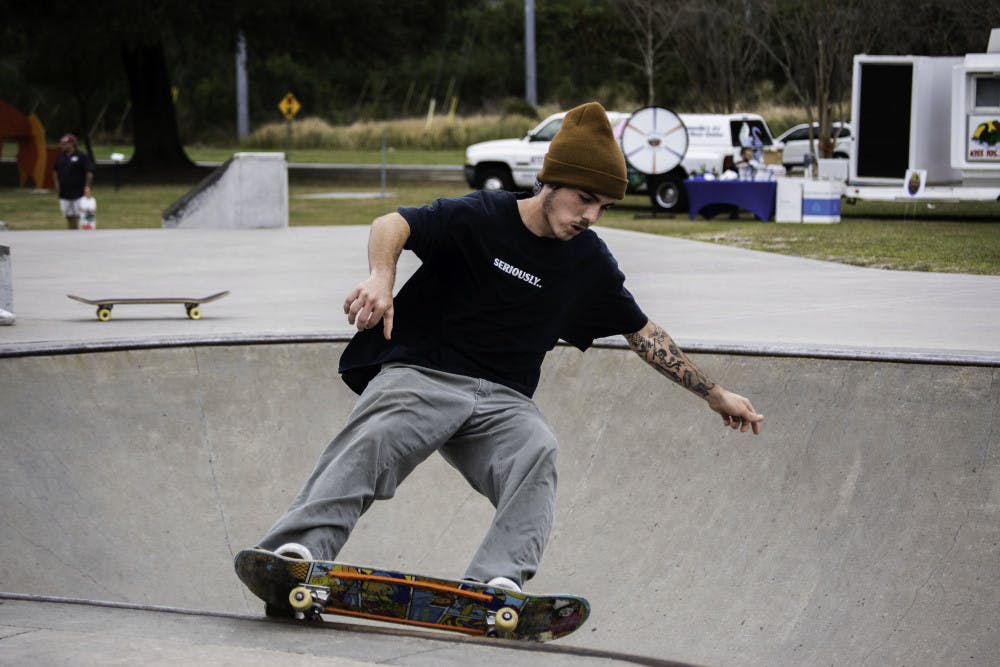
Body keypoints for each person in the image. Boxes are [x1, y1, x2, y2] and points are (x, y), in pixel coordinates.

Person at [255, 102, 763, 591]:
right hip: (423, 375)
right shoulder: (481, 216)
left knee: (536, 449)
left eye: (603, 206)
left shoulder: (589, 262)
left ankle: (496, 583)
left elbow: (643, 332)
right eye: (583, 198)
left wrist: (713, 393)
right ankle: (297, 553)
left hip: (503, 402)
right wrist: (381, 278)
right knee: (376, 434)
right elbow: (393, 224)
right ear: (550, 181)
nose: (590, 216)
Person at [52, 133, 95, 230]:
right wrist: (56, 184)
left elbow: (89, 172)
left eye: (65, 143)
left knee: (78, 215)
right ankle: (71, 232)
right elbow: (55, 170)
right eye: (62, 143)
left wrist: (87, 187)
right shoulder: (61, 156)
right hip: (64, 192)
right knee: (68, 216)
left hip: (78, 192)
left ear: (72, 144)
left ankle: (77, 234)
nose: (62, 145)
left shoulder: (81, 156)